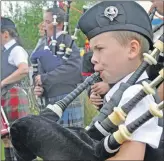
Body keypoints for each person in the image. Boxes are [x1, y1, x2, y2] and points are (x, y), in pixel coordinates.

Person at [10, 1, 163, 161]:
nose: (94, 59)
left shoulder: (135, 94)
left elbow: (131, 157)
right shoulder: (124, 90)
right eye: (92, 50)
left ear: (132, 49)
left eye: (100, 49)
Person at [31, 7, 84, 127]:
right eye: (44, 21)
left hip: (66, 99)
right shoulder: (44, 44)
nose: (43, 25)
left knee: (69, 142)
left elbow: (74, 69)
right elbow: (37, 71)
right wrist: (38, 86)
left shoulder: (67, 41)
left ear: (59, 24)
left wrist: (44, 78)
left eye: (47, 22)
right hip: (48, 100)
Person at [1, 17, 30, 161]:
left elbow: (24, 69)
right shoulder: (4, 52)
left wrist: (2, 83)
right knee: (6, 137)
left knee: (20, 138)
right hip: (5, 96)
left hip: (14, 95)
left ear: (5, 34)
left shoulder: (16, 50)